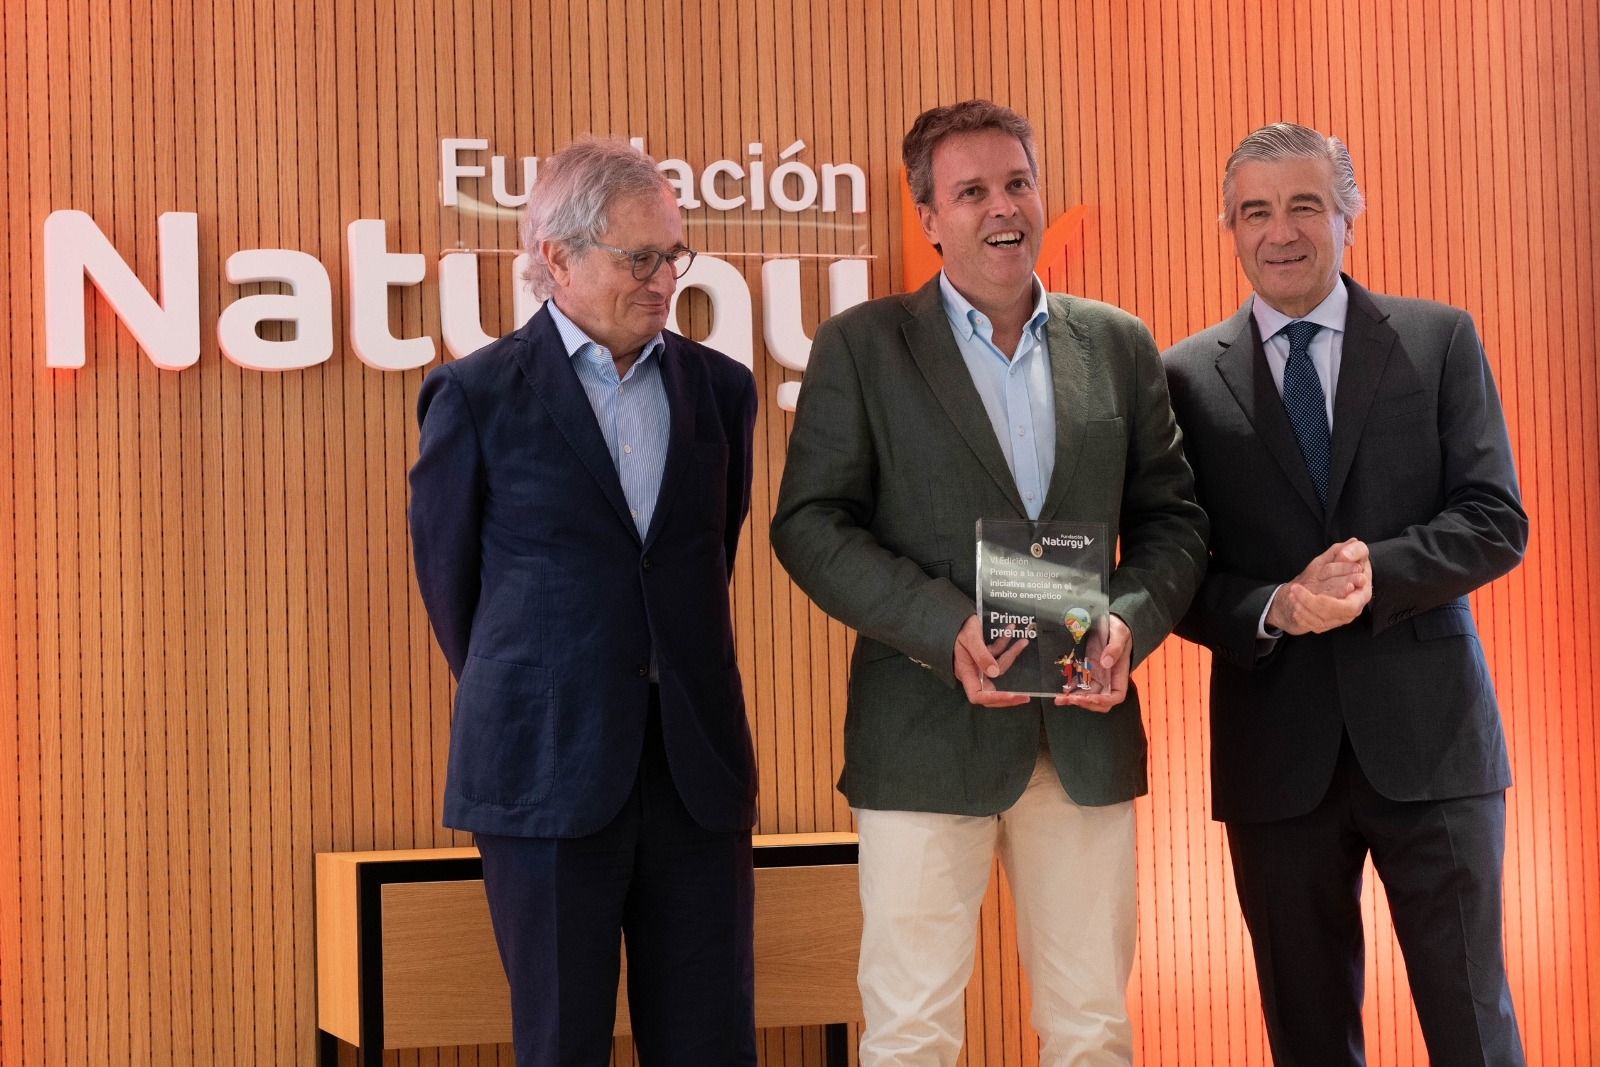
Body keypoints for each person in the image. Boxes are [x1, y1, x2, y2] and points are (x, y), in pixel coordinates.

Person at [770, 99, 1207, 1066]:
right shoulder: (862, 346)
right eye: (971, 191)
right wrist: (942, 626)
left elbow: (1176, 523)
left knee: (1092, 1027)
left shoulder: (1121, 344)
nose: (1002, 207)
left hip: (1084, 737)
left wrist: (1128, 622)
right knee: (913, 1029)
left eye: (1018, 182)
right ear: (927, 215)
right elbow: (807, 524)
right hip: (923, 735)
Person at [1164, 122, 1528, 1065]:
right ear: (1228, 227)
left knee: (1474, 1025)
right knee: (1308, 1035)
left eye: (1304, 205)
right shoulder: (1181, 379)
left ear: (1349, 215)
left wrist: (1373, 576)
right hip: (1276, 760)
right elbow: (1173, 568)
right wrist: (1277, 603)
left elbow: (1496, 517)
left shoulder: (1439, 339)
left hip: (1435, 747)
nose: (1280, 231)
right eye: (1255, 211)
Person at [408, 138, 759, 1066]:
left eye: (674, 255)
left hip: (695, 773)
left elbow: (702, 560)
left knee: (712, 1044)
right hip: (544, 773)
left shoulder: (722, 392)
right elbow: (457, 594)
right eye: (638, 257)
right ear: (556, 259)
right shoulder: (474, 395)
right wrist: (556, 683)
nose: (663, 280)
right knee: (561, 1045)